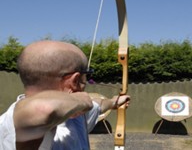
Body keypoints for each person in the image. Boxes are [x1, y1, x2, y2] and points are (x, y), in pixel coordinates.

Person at [0, 40, 130, 150]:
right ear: (75, 80)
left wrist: (114, 102)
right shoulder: (13, 122)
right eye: (87, 75)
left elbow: (99, 104)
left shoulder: (76, 115)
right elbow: (42, 109)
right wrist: (82, 101)